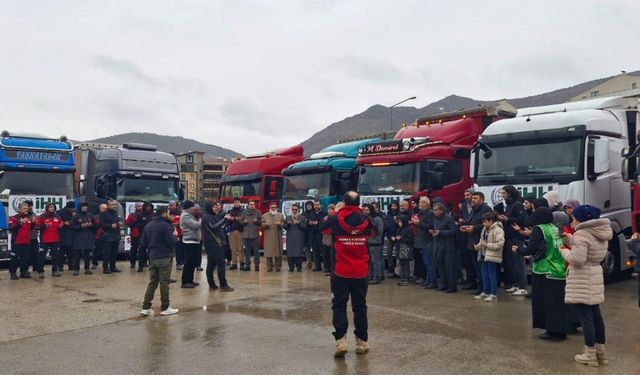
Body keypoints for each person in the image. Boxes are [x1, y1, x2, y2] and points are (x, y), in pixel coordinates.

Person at [321, 191, 373, 357]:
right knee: (360, 306)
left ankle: (341, 341)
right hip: (360, 271)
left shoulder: (335, 219)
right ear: (358, 203)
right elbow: (372, 234)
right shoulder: (366, 219)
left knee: (339, 305)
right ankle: (362, 342)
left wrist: (336, 213)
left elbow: (322, 229)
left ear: (343, 202)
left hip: (340, 271)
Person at [561, 205, 612, 367]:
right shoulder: (599, 231)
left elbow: (577, 259)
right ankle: (601, 353)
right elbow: (588, 247)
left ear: (581, 219)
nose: (572, 221)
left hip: (582, 278)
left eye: (574, 218)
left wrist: (563, 250)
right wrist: (568, 239)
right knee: (596, 315)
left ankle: (589, 354)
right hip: (595, 274)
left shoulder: (582, 233)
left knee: (585, 317)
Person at [514, 206, 569, 341]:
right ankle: (561, 329)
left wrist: (518, 250)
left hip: (544, 269)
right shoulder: (554, 228)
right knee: (558, 302)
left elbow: (530, 249)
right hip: (559, 268)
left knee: (546, 302)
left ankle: (552, 330)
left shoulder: (539, 229)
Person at [140, 206, 179, 316]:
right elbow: (170, 242)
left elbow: (143, 243)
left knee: (152, 282)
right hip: (164, 256)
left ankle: (146, 307)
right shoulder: (165, 226)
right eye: (168, 213)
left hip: (152, 257)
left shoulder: (148, 225)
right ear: (164, 214)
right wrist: (175, 236)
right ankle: (165, 307)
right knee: (164, 283)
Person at [459, 192, 492, 294]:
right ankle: (480, 287)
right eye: (472, 198)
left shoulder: (486, 210)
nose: (473, 200)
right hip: (472, 241)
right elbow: (471, 222)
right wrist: (466, 226)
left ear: (481, 199)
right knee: (476, 268)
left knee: (482, 268)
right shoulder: (473, 210)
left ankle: (485, 289)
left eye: (475, 198)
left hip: (481, 242)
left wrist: (473, 228)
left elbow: (488, 225)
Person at [497, 185, 527, 297]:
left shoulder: (518, 205)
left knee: (519, 262)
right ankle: (516, 284)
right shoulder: (508, 206)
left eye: (504, 193)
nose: (502, 195)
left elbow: (522, 219)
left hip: (516, 237)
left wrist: (507, 219)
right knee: (511, 263)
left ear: (510, 193)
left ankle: (523, 287)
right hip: (508, 237)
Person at [202, 202, 234, 291]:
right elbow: (213, 227)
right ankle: (223, 285)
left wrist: (226, 220)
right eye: (213, 206)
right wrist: (224, 219)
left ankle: (212, 284)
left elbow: (219, 226)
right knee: (220, 264)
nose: (216, 208)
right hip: (215, 244)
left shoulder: (212, 216)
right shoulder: (207, 217)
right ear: (209, 208)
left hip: (215, 244)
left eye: (216, 206)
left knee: (211, 264)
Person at [473, 212, 504, 302]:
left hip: (492, 256)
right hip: (484, 255)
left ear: (491, 221)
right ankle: (485, 292)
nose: (483, 224)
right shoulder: (484, 229)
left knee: (492, 275)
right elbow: (482, 240)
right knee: (484, 274)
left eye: (485, 222)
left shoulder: (498, 230)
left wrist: (487, 245)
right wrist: (478, 246)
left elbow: (500, 243)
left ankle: (493, 294)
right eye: (483, 222)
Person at [431, 203, 458, 293]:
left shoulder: (448, 218)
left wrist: (440, 232)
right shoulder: (436, 219)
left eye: (436, 210)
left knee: (449, 267)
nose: (434, 212)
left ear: (441, 210)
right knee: (441, 267)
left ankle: (452, 286)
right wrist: (434, 232)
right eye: (433, 210)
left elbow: (453, 231)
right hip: (439, 246)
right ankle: (444, 284)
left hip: (448, 247)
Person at [411, 197, 435, 288]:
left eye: (421, 202)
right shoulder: (420, 213)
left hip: (427, 241)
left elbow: (430, 226)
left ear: (426, 203)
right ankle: (428, 279)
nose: (419, 204)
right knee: (425, 262)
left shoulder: (429, 213)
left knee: (429, 263)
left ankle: (432, 281)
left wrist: (418, 223)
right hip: (420, 241)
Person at [8, 202, 35, 280]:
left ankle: (24, 272)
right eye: (24, 208)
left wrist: (33, 223)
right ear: (19, 209)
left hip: (26, 242)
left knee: (25, 258)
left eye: (27, 208)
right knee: (14, 259)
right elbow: (11, 228)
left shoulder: (29, 217)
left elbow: (30, 229)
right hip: (17, 242)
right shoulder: (14, 218)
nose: (26, 210)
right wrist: (20, 223)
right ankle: (13, 273)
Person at [180, 200, 202, 288]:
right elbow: (195, 226)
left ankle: (190, 280)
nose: (194, 208)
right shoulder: (185, 216)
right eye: (193, 206)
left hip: (194, 240)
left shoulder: (190, 215)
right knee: (188, 262)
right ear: (189, 207)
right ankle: (185, 281)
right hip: (189, 241)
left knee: (192, 262)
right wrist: (201, 220)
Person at [37, 203, 63, 277]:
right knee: (42, 256)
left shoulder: (57, 216)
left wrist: (61, 225)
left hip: (55, 239)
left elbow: (60, 224)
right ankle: (40, 272)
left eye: (53, 207)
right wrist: (44, 225)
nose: (52, 208)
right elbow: (37, 226)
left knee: (55, 256)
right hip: (44, 240)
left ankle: (55, 271)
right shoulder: (42, 217)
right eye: (51, 207)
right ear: (47, 208)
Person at [71, 203, 95, 275]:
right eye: (83, 207)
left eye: (86, 207)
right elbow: (72, 227)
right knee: (77, 255)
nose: (84, 208)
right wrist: (80, 226)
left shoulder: (90, 215)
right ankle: (76, 269)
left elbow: (95, 226)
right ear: (80, 208)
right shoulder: (76, 216)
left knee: (87, 254)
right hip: (78, 237)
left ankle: (87, 268)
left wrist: (90, 225)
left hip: (87, 237)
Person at [363, 204, 384, 284]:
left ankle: (376, 277)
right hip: (367, 243)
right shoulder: (365, 219)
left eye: (367, 210)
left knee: (376, 262)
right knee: (369, 262)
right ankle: (370, 276)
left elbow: (379, 231)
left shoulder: (377, 219)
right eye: (364, 210)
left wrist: (372, 225)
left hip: (375, 243)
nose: (365, 211)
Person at [99, 200, 122, 274]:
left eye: (115, 204)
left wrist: (119, 234)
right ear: (108, 205)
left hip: (115, 235)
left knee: (114, 253)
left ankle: (113, 266)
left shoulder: (115, 213)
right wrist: (110, 225)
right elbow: (101, 224)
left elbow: (117, 224)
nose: (114, 206)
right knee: (107, 253)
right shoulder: (103, 214)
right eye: (112, 204)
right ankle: (105, 268)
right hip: (107, 236)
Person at [240, 200, 262, 272]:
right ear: (248, 205)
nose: (252, 206)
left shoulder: (258, 212)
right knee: (247, 252)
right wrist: (244, 222)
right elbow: (240, 222)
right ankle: (247, 266)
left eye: (253, 204)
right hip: (246, 235)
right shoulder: (244, 212)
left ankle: (256, 266)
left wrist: (257, 221)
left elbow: (261, 223)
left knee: (256, 251)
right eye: (251, 204)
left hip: (255, 234)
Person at [262, 203, 285, 272]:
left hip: (277, 235)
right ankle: (269, 267)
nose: (273, 208)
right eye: (272, 207)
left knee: (278, 251)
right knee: (268, 252)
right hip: (268, 235)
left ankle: (278, 267)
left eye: (275, 207)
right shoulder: (265, 215)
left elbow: (284, 224)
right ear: (270, 208)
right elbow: (261, 224)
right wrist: (266, 224)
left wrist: (280, 224)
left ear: (277, 208)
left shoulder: (280, 215)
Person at [285, 204, 307, 272]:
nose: (294, 211)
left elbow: (305, 227)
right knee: (290, 252)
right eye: (293, 209)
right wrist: (288, 224)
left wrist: (299, 223)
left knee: (298, 252)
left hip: (299, 238)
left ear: (298, 210)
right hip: (290, 237)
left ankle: (299, 267)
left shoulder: (302, 217)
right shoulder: (288, 217)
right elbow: (285, 227)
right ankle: (291, 267)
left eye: (295, 209)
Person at [226, 198, 245, 270]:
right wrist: (229, 219)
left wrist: (239, 219)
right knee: (233, 248)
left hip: (240, 230)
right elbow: (227, 221)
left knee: (240, 248)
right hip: (232, 231)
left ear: (240, 203)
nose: (236, 203)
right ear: (233, 203)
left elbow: (245, 221)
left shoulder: (243, 211)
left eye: (238, 202)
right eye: (235, 202)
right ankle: (234, 264)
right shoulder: (230, 211)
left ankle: (242, 263)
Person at [136, 202, 155, 272]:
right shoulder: (140, 215)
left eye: (149, 207)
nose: (148, 208)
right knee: (141, 252)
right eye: (147, 206)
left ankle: (152, 266)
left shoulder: (154, 215)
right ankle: (140, 266)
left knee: (152, 252)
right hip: (142, 236)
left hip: (152, 236)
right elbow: (135, 224)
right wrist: (144, 225)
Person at [24, 200, 41, 277]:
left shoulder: (34, 214)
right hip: (26, 239)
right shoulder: (23, 215)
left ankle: (36, 268)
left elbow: (37, 224)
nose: (30, 207)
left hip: (34, 238)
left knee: (36, 254)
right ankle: (25, 270)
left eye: (31, 205)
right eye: (28, 206)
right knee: (26, 255)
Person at [57, 202, 75, 272]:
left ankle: (71, 266)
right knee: (62, 252)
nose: (72, 210)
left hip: (72, 234)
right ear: (67, 207)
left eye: (73, 208)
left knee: (71, 252)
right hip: (63, 235)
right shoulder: (59, 212)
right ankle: (60, 266)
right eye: (70, 208)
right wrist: (64, 223)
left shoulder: (74, 212)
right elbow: (57, 223)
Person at [307, 200, 325, 272]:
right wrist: (309, 223)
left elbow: (325, 223)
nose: (316, 206)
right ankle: (317, 267)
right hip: (313, 235)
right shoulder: (311, 213)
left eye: (317, 205)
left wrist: (318, 223)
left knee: (324, 252)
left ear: (321, 205)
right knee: (315, 252)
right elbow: (307, 221)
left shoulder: (324, 213)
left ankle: (326, 267)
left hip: (322, 235)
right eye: (315, 205)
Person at [383, 201, 400, 277]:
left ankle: (397, 271)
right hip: (390, 237)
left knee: (398, 254)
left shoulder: (399, 214)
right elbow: (387, 226)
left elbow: (399, 227)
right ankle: (390, 268)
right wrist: (390, 236)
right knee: (388, 254)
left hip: (397, 237)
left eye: (395, 205)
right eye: (392, 205)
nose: (393, 207)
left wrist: (396, 235)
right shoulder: (388, 214)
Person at [126, 202, 143, 269]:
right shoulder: (131, 215)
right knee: (134, 250)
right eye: (139, 206)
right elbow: (127, 223)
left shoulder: (144, 215)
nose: (140, 208)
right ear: (135, 207)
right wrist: (134, 224)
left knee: (143, 250)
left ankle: (143, 262)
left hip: (143, 235)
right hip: (135, 235)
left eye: (141, 206)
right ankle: (132, 263)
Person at [92, 203, 107, 269]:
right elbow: (93, 227)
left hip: (107, 237)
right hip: (98, 236)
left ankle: (106, 265)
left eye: (106, 209)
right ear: (99, 209)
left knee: (107, 251)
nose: (105, 210)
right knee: (96, 251)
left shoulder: (109, 216)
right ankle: (94, 263)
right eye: (103, 208)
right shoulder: (95, 217)